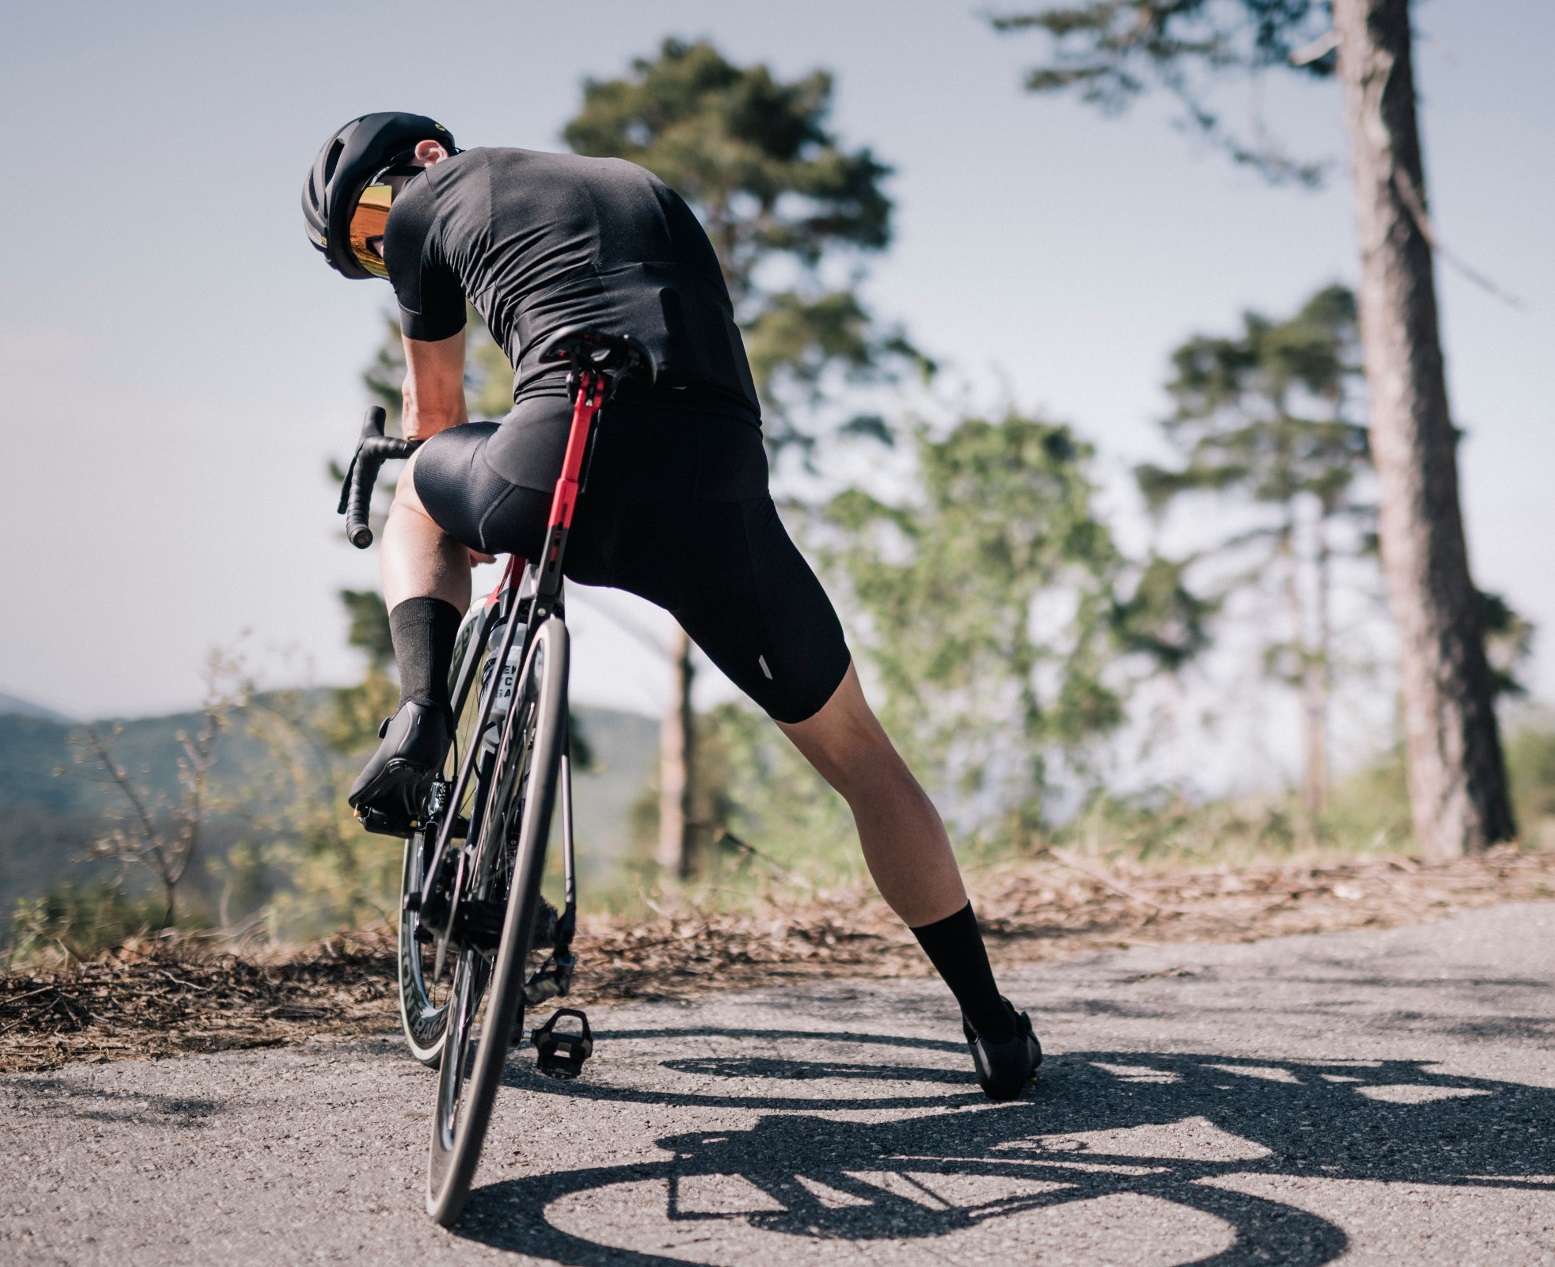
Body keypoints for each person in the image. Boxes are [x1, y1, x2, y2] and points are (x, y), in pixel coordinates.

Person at [302, 112, 1041, 1100]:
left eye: (368, 228)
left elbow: (436, 413)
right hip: (718, 478)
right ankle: (991, 1025)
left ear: (420, 161)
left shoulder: (427, 200)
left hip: (558, 445)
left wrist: (445, 483)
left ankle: (422, 711)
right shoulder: (633, 181)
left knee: (419, 487)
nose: (382, 246)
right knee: (863, 759)